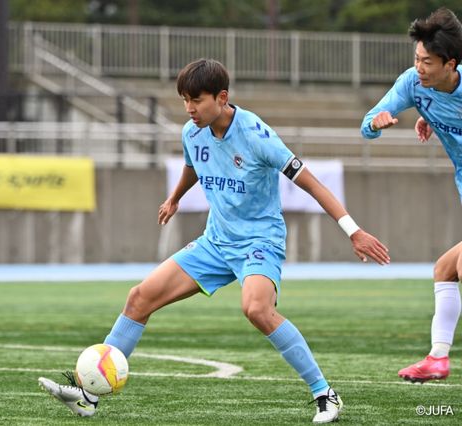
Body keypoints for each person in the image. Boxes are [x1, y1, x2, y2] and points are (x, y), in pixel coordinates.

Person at [39, 58, 390, 424]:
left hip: (259, 242)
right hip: (216, 242)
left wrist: (354, 231)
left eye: (196, 100)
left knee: (257, 310)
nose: (189, 109)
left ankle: (324, 394)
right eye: (184, 100)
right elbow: (193, 165)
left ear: (221, 98)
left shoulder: (256, 136)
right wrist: (175, 197)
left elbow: (313, 185)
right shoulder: (192, 132)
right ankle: (88, 396)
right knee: (139, 297)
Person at [361, 7, 462, 383]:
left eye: (427, 62)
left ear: (450, 64)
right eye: (416, 58)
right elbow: (366, 125)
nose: (419, 67)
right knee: (445, 269)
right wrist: (376, 123)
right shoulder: (413, 84)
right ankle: (438, 358)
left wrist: (438, 116)